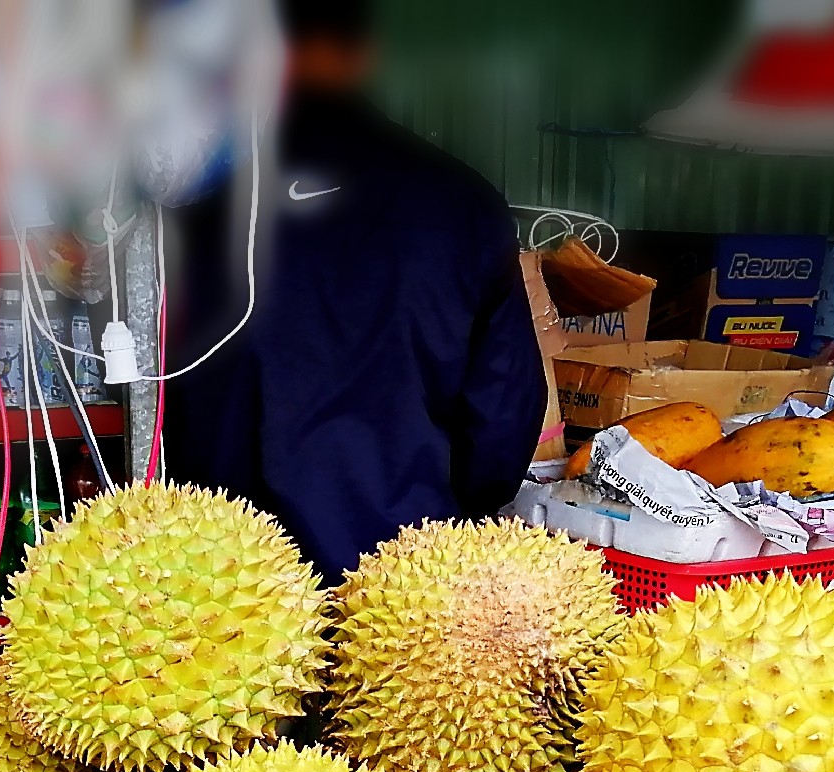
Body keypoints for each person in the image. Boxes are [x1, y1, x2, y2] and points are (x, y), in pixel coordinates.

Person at [160, 0, 547, 583]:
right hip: (403, 578)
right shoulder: (464, 203)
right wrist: (448, 515)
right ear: (367, 56)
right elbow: (504, 417)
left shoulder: (199, 210)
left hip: (225, 584)